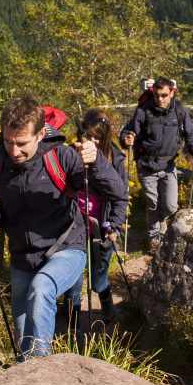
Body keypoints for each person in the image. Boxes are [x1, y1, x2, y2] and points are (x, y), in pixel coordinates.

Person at [0, 95, 126, 358]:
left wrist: (95, 161)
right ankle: (31, 378)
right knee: (25, 334)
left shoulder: (61, 156)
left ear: (40, 134)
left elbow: (116, 190)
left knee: (42, 290)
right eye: (8, 142)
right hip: (22, 257)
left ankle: (41, 375)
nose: (14, 151)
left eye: (21, 143)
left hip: (67, 248)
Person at [120, 77, 193, 250]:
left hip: (169, 166)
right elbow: (129, 130)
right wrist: (126, 138)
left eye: (164, 95)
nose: (160, 99)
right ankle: (154, 238)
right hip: (147, 165)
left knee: (171, 206)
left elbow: (190, 131)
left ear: (172, 92)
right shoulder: (144, 110)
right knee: (152, 203)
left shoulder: (178, 110)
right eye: (157, 95)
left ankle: (162, 223)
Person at [65, 109, 129, 324]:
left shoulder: (115, 157)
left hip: (102, 224)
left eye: (97, 137)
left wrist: (115, 225)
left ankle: (108, 310)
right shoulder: (72, 152)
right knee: (73, 269)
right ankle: (71, 316)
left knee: (99, 273)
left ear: (105, 138)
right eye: (88, 136)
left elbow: (121, 197)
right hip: (75, 222)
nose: (92, 141)